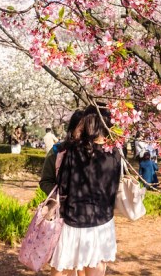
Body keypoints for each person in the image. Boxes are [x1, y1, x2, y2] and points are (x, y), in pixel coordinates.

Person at [49, 105, 122, 276]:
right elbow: (115, 184)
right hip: (102, 219)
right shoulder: (115, 152)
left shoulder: (75, 150)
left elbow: (63, 184)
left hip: (75, 219)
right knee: (96, 267)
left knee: (63, 268)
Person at [40, 109, 85, 195]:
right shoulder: (57, 151)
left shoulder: (95, 152)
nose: (85, 135)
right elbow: (45, 181)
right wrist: (60, 195)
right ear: (72, 130)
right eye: (82, 130)